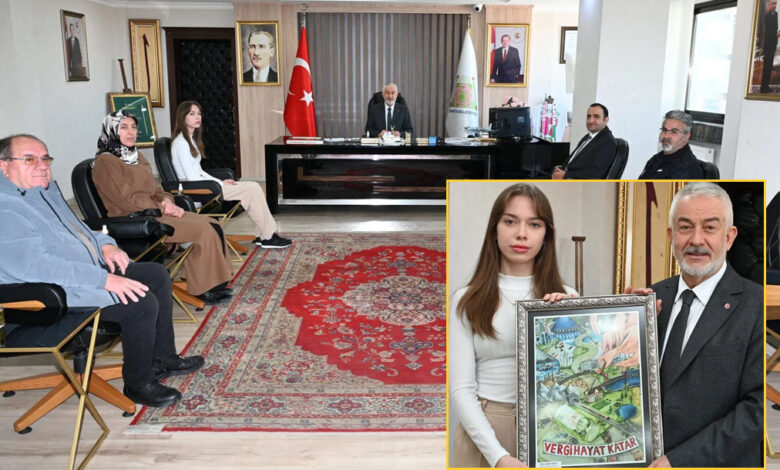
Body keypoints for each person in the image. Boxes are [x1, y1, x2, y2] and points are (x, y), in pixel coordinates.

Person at [0, 133, 204, 408]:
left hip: (79, 278)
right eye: (29, 159)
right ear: (4, 165)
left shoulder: (43, 193)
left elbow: (82, 231)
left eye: (45, 158)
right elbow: (38, 268)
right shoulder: (6, 209)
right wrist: (104, 279)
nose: (41, 165)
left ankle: (163, 358)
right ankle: (138, 383)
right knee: (140, 303)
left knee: (155, 275)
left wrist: (106, 245)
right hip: (47, 300)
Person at [629, 182, 762, 467]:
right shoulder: (652, 298)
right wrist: (624, 325)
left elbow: (757, 409)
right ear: (671, 236)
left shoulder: (756, 305)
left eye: (710, 228)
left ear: (729, 237)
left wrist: (679, 461)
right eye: (685, 227)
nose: (696, 240)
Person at [449, 183, 577, 468]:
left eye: (534, 224)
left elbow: (577, 376)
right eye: (510, 221)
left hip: (549, 427)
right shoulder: (466, 299)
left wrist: (565, 318)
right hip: (484, 429)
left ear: (546, 235)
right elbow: (461, 389)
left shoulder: (568, 296)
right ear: (494, 230)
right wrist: (498, 457)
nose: (521, 233)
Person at [91, 111, 234, 304]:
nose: (130, 132)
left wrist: (167, 201)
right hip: (136, 218)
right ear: (111, 131)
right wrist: (162, 207)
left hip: (156, 211)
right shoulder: (106, 161)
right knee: (203, 230)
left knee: (211, 223)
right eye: (123, 128)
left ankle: (213, 282)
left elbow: (156, 189)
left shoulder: (135, 156)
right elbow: (127, 200)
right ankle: (204, 288)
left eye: (133, 127)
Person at [170, 101, 291, 248]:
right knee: (252, 188)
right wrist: (218, 184)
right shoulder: (181, 143)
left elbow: (199, 171)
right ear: (182, 117)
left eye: (199, 113)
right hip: (198, 189)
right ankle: (267, 236)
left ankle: (263, 234)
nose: (198, 117)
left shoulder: (189, 139)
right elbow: (191, 178)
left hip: (204, 184)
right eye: (192, 114)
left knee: (254, 187)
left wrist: (221, 182)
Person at [552, 103, 617, 179]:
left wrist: (565, 175)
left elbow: (595, 175)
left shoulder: (607, 142)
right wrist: (560, 170)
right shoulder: (588, 137)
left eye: (596, 116)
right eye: (589, 116)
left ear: (606, 120)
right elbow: (573, 161)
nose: (591, 120)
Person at [638, 110, 704, 179]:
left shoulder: (687, 169)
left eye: (674, 132)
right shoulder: (658, 158)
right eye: (664, 130)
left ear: (686, 136)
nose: (666, 136)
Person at [761, 0, 779, 93]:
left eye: (776, 3)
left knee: (770, 67)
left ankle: (766, 86)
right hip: (768, 46)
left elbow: (775, 28)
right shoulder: (767, 17)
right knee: (766, 68)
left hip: (773, 45)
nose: (774, 5)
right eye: (773, 3)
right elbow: (768, 33)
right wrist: (776, 35)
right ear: (769, 4)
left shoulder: (776, 14)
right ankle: (763, 88)